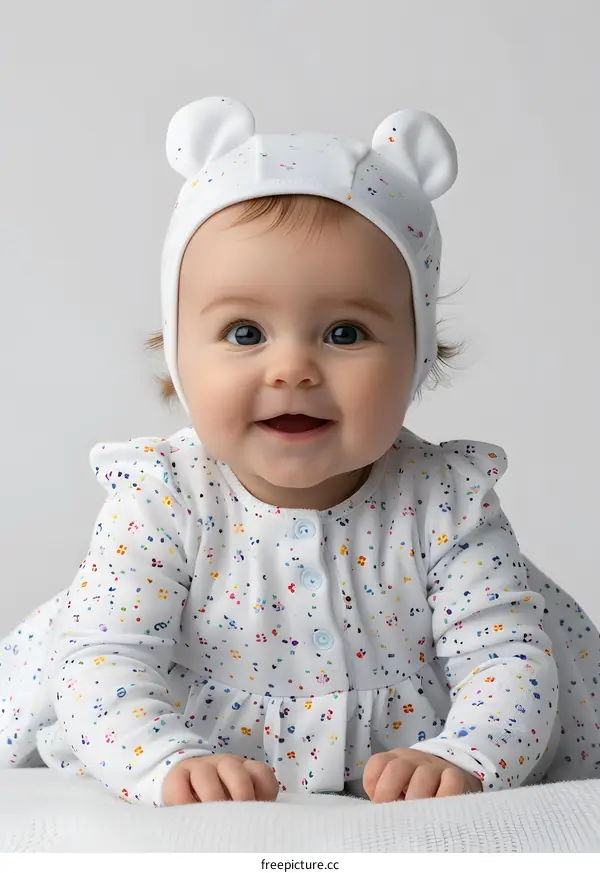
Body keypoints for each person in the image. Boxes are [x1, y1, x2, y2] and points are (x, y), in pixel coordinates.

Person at [0, 97, 597, 809]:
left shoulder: (445, 499)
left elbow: (506, 658)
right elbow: (104, 662)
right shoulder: (164, 498)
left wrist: (463, 755)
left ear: (418, 355)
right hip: (193, 767)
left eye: (345, 333)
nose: (293, 368)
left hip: (398, 793)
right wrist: (165, 761)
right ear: (178, 355)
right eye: (245, 332)